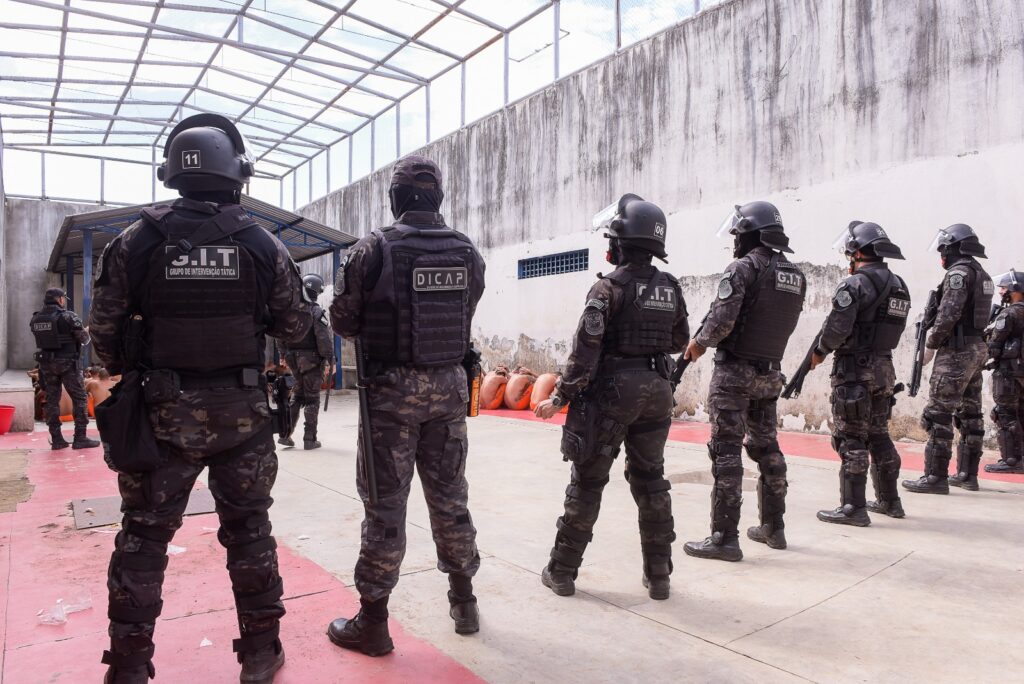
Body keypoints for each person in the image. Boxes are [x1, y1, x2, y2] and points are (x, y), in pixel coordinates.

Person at [90, 113, 310, 684]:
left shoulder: (132, 243)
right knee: (249, 531)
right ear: (236, 172)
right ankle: (261, 653)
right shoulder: (263, 245)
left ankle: (131, 665)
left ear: (173, 174)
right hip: (243, 419)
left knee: (143, 537)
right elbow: (294, 325)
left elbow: (105, 336)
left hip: (160, 419)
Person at [328, 154, 486, 654]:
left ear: (396, 197)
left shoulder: (373, 248)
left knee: (385, 508)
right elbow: (468, 307)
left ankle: (372, 623)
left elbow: (343, 320)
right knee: (450, 497)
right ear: (438, 195)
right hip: (450, 389)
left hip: (391, 397)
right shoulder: (466, 251)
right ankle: (464, 600)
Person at [534, 194, 689, 600]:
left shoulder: (607, 287)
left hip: (613, 393)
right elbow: (679, 339)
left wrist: (559, 396)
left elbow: (585, 351)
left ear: (620, 244)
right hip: (657, 390)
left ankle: (563, 571)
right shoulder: (670, 287)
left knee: (587, 481)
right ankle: (659, 576)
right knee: (651, 480)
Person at [682, 201, 806, 561]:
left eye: (737, 233)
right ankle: (774, 526)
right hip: (770, 373)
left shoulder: (742, 268)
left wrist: (699, 343)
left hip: (734, 373)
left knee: (726, 452)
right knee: (767, 447)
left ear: (750, 233)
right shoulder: (795, 275)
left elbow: (721, 322)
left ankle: (724, 537)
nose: (734, 240)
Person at [806, 222, 911, 525]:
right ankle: (891, 501)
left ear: (860, 251)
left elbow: (837, 329)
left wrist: (821, 351)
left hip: (855, 372)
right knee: (879, 435)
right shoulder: (899, 285)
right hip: (884, 370)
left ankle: (854, 508)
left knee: (850, 438)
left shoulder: (854, 285)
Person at [903, 224, 993, 494]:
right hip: (977, 348)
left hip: (957, 351)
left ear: (955, 248)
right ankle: (967, 474)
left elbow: (948, 314)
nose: (942, 255)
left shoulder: (959, 273)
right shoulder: (982, 273)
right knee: (970, 413)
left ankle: (935, 477)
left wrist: (931, 344)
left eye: (944, 249)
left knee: (938, 414)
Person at [29, 287, 99, 449]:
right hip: (68, 364)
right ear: (60, 299)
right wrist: (87, 329)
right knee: (80, 399)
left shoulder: (36, 319)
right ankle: (80, 438)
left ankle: (57, 439)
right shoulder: (69, 316)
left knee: (52, 400)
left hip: (46, 364)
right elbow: (84, 339)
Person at [275, 273, 335, 450]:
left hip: (294, 361)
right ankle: (310, 439)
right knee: (312, 399)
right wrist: (331, 360)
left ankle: (286, 435)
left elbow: (280, 336)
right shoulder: (316, 312)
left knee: (297, 396)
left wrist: (284, 355)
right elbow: (324, 340)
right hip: (311, 362)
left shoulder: (290, 312)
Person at [983, 269, 1024, 474]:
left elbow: (994, 345)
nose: (1001, 292)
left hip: (1008, 373)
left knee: (1005, 414)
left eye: (1004, 288)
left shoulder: (1009, 313)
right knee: (1021, 414)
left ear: (1016, 290)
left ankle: (1011, 460)